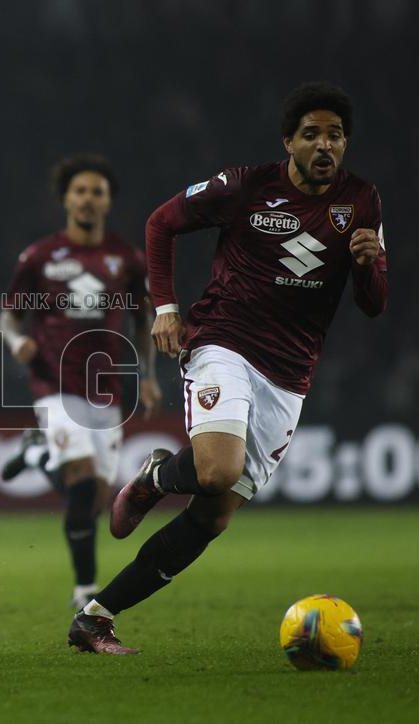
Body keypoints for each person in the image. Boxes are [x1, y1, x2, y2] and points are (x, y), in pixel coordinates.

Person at [68, 82, 387, 654]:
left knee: (212, 517)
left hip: (289, 375)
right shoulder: (245, 186)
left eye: (334, 135)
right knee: (215, 470)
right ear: (288, 141)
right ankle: (159, 479)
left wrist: (370, 265)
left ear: (345, 143)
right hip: (225, 342)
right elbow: (161, 222)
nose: (323, 145)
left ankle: (96, 617)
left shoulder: (362, 202)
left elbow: (372, 303)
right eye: (310, 134)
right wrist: (166, 308)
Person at [0, 155, 161, 611]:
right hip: (53, 382)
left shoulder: (126, 259)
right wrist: (16, 343)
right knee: (83, 481)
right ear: (66, 199)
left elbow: (142, 319)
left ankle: (36, 454)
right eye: (81, 191)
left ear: (108, 201)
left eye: (97, 192)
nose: (89, 199)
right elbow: (9, 316)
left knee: (98, 506)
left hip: (107, 388)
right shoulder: (40, 256)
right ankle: (86, 588)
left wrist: (147, 378)